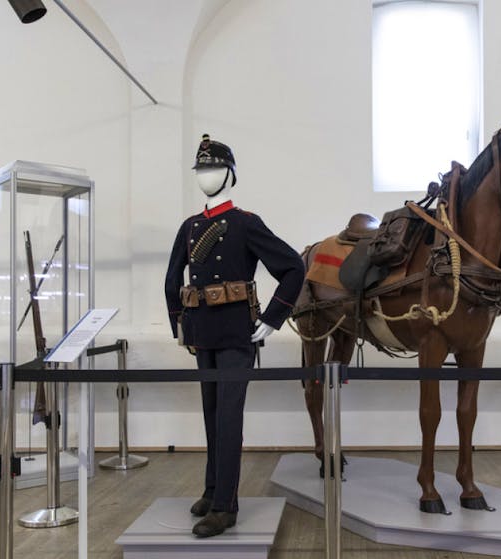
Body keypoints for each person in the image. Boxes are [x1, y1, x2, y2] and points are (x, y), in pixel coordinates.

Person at [165, 134, 305, 538]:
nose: (205, 176)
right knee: (211, 416)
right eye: (201, 169)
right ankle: (212, 491)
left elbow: (293, 267)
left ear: (229, 174)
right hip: (202, 333)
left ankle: (226, 507)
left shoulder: (245, 223)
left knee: (228, 418)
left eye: (212, 168)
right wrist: (180, 323)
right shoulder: (190, 227)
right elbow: (172, 278)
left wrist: (274, 318)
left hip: (234, 334)